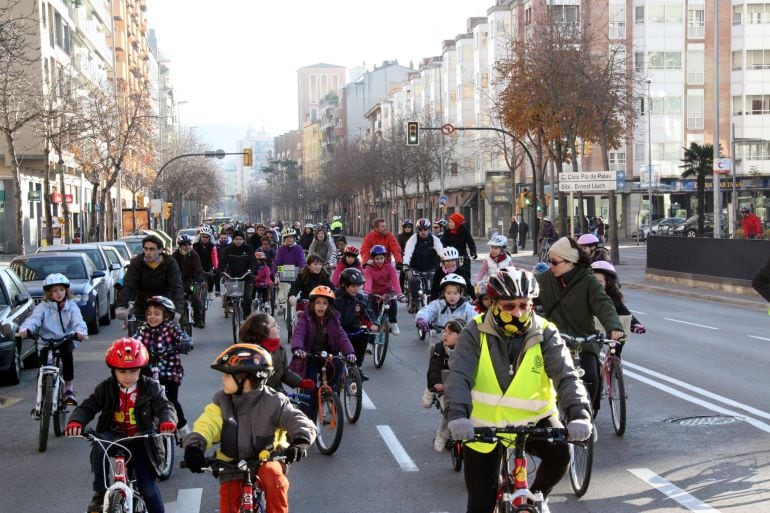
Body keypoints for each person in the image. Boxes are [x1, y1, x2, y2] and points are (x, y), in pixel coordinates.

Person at [444, 268, 592, 513]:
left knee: (560, 456)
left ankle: (534, 498)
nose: (518, 312)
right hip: (483, 427)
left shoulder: (545, 332)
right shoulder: (473, 331)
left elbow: (566, 375)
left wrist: (579, 414)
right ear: (492, 304)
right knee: (480, 505)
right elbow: (459, 376)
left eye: (524, 305)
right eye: (509, 306)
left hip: (534, 421)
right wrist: (457, 416)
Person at [182, 344, 316, 513]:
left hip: (268, 459)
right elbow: (206, 425)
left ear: (246, 379)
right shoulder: (221, 401)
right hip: (231, 464)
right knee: (229, 504)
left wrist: (301, 440)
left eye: (227, 375)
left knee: (274, 477)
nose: (223, 379)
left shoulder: (275, 401)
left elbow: (297, 419)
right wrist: (194, 446)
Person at [65, 338, 177, 513]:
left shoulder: (150, 387)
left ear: (141, 369)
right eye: (122, 371)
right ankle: (100, 492)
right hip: (114, 434)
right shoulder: (106, 388)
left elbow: (165, 407)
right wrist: (76, 421)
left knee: (148, 488)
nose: (128, 376)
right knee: (98, 446)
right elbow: (88, 406)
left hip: (142, 439)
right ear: (114, 371)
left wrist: (167, 422)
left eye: (133, 371)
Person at [534, 237, 624, 417]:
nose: (550, 266)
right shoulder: (544, 280)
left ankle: (588, 413)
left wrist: (614, 325)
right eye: (549, 261)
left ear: (570, 262)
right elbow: (524, 295)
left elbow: (603, 304)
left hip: (584, 338)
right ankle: (548, 414)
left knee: (591, 375)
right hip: (554, 338)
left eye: (554, 262)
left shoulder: (588, 281)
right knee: (542, 375)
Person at [17, 273, 88, 406]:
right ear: (49, 293)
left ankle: (68, 390)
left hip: (65, 339)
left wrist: (80, 332)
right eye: (54, 291)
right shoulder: (43, 307)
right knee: (44, 366)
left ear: (66, 291)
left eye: (61, 290)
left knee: (67, 355)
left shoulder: (71, 306)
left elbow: (78, 321)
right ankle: (41, 399)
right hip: (46, 341)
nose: (58, 293)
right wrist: (26, 330)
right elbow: (33, 320)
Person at [289, 286, 357, 415]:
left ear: (329, 306)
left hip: (329, 356)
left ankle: (331, 394)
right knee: (310, 385)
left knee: (338, 365)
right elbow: (298, 333)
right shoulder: (305, 318)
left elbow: (341, 336)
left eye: (325, 303)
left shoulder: (333, 318)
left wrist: (350, 352)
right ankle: (306, 415)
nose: (321, 306)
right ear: (312, 304)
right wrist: (298, 348)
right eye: (318, 303)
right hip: (311, 356)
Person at [133, 296, 193, 434]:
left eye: (156, 313)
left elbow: (183, 336)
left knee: (171, 402)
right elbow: (134, 340)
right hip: (148, 372)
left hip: (169, 373)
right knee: (142, 399)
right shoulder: (143, 329)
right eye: (149, 314)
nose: (152, 317)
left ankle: (184, 431)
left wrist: (186, 342)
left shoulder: (171, 328)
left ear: (166, 316)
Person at [238, 312, 314, 393]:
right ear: (263, 331)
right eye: (274, 325)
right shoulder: (251, 354)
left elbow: (284, 373)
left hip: (276, 395)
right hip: (256, 398)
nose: (278, 327)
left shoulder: (279, 350)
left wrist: (300, 382)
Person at [420, 318, 466, 452]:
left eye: (450, 333)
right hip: (445, 386)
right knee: (449, 408)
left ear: (461, 335)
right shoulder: (439, 348)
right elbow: (434, 368)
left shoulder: (468, 350)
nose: (445, 335)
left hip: (463, 386)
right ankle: (442, 434)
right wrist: (436, 383)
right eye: (445, 331)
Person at [116, 235, 185, 322]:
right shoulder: (137, 262)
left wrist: (178, 311)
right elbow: (128, 285)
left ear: (160, 250)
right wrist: (121, 306)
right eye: (145, 249)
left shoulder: (169, 262)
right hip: (143, 303)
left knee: (177, 326)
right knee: (133, 325)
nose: (148, 252)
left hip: (165, 302)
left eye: (152, 249)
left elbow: (177, 287)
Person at [334, 268, 379, 380]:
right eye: (353, 286)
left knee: (363, 334)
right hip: (336, 328)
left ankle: (357, 367)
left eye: (358, 286)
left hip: (352, 327)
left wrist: (373, 324)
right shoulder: (334, 298)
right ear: (344, 285)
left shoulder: (360, 298)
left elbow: (368, 312)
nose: (356, 289)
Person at [591, 261, 646, 336]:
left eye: (600, 282)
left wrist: (635, 324)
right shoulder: (582, 296)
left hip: (606, 336)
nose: (595, 285)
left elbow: (624, 312)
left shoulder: (612, 298)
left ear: (608, 283)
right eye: (593, 281)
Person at [403, 218, 443, 313]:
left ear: (429, 229)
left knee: (436, 282)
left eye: (425, 229)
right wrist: (406, 265)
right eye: (420, 230)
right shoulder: (413, 239)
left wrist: (445, 263)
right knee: (413, 280)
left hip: (431, 266)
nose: (423, 232)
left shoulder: (435, 239)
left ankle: (436, 302)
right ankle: (415, 302)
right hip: (416, 266)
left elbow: (441, 253)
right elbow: (408, 252)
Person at [363, 244, 402, 334]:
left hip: (388, 290)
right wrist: (367, 292)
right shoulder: (369, 268)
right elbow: (368, 280)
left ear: (385, 257)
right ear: (373, 259)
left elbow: (395, 280)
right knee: (373, 312)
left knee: (392, 301)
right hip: (374, 292)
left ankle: (393, 322)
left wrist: (399, 293)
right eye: (377, 259)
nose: (379, 261)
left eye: (381, 258)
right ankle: (375, 328)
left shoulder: (389, 266)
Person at [221, 230, 258, 318]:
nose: (238, 241)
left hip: (246, 277)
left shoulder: (248, 249)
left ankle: (247, 315)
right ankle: (230, 306)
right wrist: (220, 271)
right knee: (230, 295)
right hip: (233, 277)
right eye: (236, 239)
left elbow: (253, 262)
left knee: (247, 298)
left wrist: (251, 271)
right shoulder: (229, 249)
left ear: (243, 240)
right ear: (233, 240)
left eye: (240, 239)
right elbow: (223, 261)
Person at [173, 234, 206, 329]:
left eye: (189, 244)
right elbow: (170, 270)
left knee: (196, 299)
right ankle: (180, 320)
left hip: (191, 283)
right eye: (184, 244)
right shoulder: (174, 256)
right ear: (180, 245)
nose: (187, 246)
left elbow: (198, 267)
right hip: (178, 284)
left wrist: (200, 276)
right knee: (178, 302)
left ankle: (198, 319)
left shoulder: (194, 255)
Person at [272, 228, 306, 308]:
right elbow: (277, 261)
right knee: (282, 285)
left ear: (294, 238)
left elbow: (302, 260)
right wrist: (273, 272)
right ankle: (282, 303)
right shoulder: (281, 249)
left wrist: (302, 268)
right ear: (284, 239)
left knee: (296, 287)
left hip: (295, 271)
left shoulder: (299, 248)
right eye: (287, 238)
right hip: (283, 271)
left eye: (291, 237)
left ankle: (295, 302)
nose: (289, 239)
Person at [193, 226, 218, 300]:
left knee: (211, 277)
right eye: (203, 236)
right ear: (200, 236)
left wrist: (215, 267)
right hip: (197, 266)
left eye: (207, 237)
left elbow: (215, 258)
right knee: (194, 281)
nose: (205, 238)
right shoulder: (195, 246)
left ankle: (210, 292)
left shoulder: (212, 246)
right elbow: (192, 257)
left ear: (209, 238)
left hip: (208, 266)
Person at [214, 231, 231, 297]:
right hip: (219, 264)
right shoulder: (216, 246)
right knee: (216, 275)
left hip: (229, 264)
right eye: (222, 238)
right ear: (219, 238)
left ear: (227, 238)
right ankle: (217, 290)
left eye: (225, 238)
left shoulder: (230, 245)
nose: (223, 239)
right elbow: (214, 256)